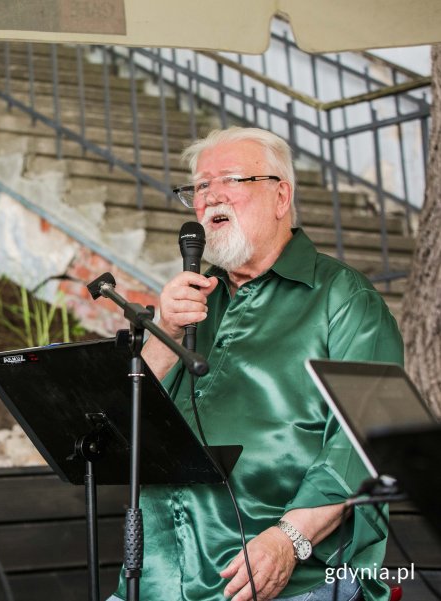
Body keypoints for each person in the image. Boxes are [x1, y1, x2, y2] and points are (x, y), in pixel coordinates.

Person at [112, 127, 403, 601]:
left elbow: (365, 440)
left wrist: (288, 540)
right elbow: (121, 426)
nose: (210, 198)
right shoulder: (190, 303)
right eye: (200, 187)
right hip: (158, 576)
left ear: (280, 196)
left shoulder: (344, 299)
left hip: (289, 577)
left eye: (230, 180)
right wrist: (163, 332)